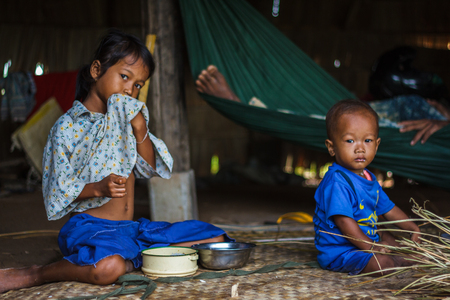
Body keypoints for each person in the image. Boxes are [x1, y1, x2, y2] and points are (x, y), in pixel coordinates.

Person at [0, 29, 231, 294]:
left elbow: (150, 167)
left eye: (138, 85)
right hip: (90, 229)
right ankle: (37, 273)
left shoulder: (125, 124)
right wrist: (98, 188)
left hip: (130, 229)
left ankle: (131, 257)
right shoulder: (67, 127)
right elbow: (57, 189)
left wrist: (140, 129)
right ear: (97, 70)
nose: (130, 90)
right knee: (108, 268)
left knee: (214, 237)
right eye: (124, 77)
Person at [195, 65, 450, 145]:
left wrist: (443, 123)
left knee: (335, 120)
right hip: (412, 112)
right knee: (334, 112)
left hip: (421, 123)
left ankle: (251, 106)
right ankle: (254, 106)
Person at [313, 99, 420, 276]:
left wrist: (412, 228)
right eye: (350, 141)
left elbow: (389, 209)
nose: (360, 148)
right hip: (342, 251)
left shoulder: (369, 178)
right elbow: (344, 222)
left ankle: (399, 256)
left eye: (367, 140)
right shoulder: (337, 182)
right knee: (384, 263)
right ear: (331, 147)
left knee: (393, 241)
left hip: (369, 239)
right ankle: (390, 259)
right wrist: (373, 247)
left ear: (377, 145)